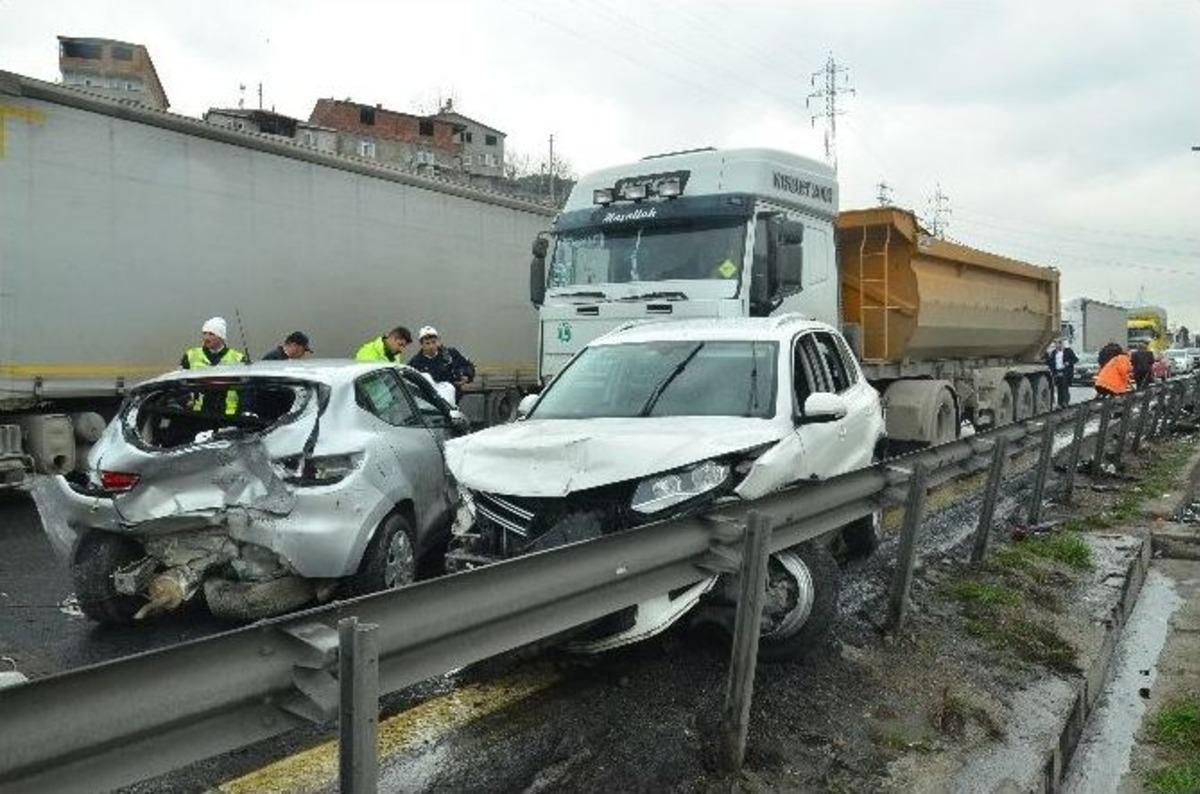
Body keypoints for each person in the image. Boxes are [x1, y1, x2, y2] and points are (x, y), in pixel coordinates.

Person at [180, 317, 246, 414]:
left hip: (229, 414)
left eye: (211, 334)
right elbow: (181, 383)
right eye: (204, 333)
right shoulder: (190, 355)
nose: (206, 338)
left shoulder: (238, 358)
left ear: (221, 337)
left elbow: (245, 389)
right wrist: (185, 401)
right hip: (198, 413)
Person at [408, 326, 475, 400]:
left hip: (454, 399)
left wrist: (465, 376)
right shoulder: (415, 362)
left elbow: (469, 367)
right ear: (421, 344)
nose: (431, 346)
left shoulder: (451, 354)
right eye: (427, 343)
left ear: (438, 341)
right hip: (430, 402)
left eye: (434, 342)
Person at [1044, 339, 1078, 407]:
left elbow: (1075, 359)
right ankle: (1059, 403)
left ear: (1061, 344)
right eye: (1055, 344)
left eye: (1058, 344)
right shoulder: (1054, 352)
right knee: (1059, 387)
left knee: (1064, 387)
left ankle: (1065, 402)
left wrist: (1068, 363)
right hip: (1057, 372)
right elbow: (1050, 361)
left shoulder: (1068, 351)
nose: (1056, 345)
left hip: (1065, 371)